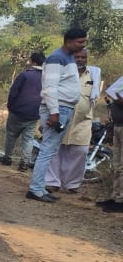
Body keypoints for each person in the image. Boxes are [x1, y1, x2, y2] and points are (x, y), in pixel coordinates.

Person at [27, 27, 89, 202]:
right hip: (57, 109)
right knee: (47, 150)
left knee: (50, 150)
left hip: (63, 108)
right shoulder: (57, 59)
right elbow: (49, 88)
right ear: (69, 41)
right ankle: (36, 189)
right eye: (80, 42)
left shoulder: (67, 58)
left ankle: (38, 187)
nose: (83, 45)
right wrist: (54, 112)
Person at [45, 49, 99, 193]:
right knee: (55, 150)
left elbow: (95, 97)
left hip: (82, 122)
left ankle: (72, 184)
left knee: (79, 151)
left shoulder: (93, 74)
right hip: (61, 117)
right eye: (77, 57)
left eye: (83, 57)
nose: (80, 59)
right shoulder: (63, 72)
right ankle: (52, 182)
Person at [0, 52, 45, 169]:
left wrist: (10, 107)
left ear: (33, 62)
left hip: (18, 112)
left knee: (11, 135)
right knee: (28, 138)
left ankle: (7, 158)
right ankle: (24, 163)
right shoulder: (46, 78)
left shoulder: (25, 75)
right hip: (34, 114)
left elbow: (13, 92)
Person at [98, 75, 123, 213]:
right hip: (118, 125)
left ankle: (121, 200)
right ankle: (115, 196)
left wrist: (120, 101)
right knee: (117, 164)